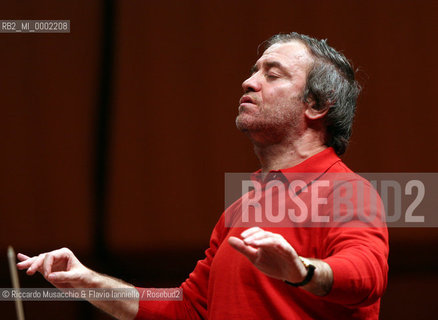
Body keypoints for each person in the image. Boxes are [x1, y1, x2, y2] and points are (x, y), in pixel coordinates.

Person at [17, 32, 388, 319]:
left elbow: (366, 276)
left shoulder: (347, 191)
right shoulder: (241, 209)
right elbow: (187, 307)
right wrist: (89, 283)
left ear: (318, 105)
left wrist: (300, 270)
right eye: (253, 70)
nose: (249, 82)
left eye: (271, 74)